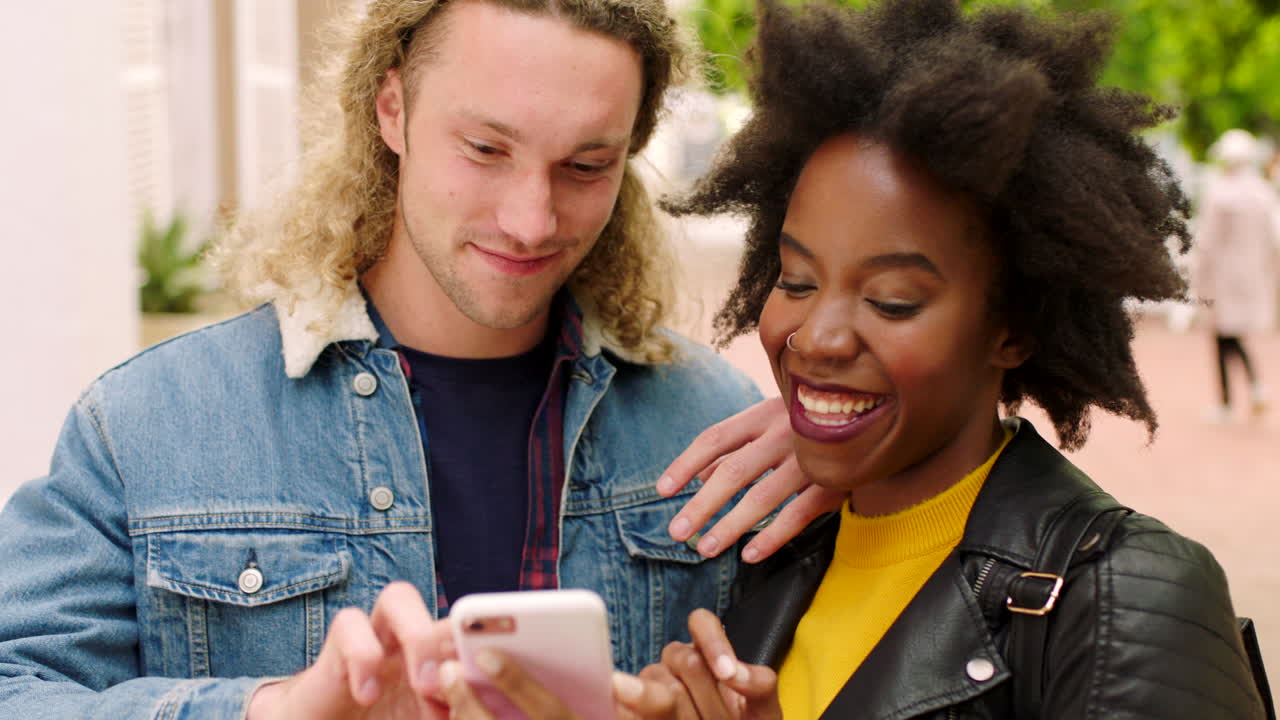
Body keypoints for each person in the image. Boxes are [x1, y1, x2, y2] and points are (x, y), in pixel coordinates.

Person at [0, 0, 790, 716]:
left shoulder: (720, 427)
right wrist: (278, 711)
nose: (531, 219)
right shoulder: (147, 427)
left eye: (586, 166)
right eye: (485, 148)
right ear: (393, 111)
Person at [601, 0, 1268, 717]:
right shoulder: (767, 557)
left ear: (1011, 328)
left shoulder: (1131, 597)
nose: (818, 336)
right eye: (795, 281)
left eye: (890, 300)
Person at [1195, 129, 1277, 422]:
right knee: (1234, 335)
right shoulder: (1263, 193)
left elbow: (1207, 242)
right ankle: (1255, 388)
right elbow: (1270, 240)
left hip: (1222, 276)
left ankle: (1227, 402)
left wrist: (1197, 279)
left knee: (1221, 336)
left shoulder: (1219, 193)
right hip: (1252, 275)